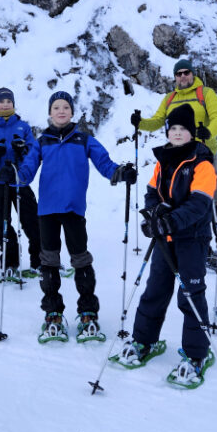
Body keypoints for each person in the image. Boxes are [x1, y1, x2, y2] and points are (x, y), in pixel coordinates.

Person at [18, 91, 137, 342]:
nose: (61, 111)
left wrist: (120, 172)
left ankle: (87, 311)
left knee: (80, 259)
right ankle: (53, 312)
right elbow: (27, 170)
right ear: (50, 113)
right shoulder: (42, 142)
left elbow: (105, 164)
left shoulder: (84, 140)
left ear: (72, 112)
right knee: (49, 261)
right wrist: (14, 173)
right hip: (47, 211)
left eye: (65, 107)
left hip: (73, 209)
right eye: (56, 107)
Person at [117, 105, 216, 387]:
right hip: (165, 239)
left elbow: (199, 204)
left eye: (182, 129)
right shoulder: (163, 161)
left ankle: (197, 354)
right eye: (173, 129)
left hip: (191, 239)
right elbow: (152, 193)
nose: (177, 133)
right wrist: (152, 216)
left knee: (191, 295)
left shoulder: (202, 164)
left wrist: (169, 221)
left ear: (191, 133)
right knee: (155, 290)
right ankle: (144, 341)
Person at [131, 58, 217, 264]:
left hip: (203, 155)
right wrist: (140, 123)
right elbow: (159, 121)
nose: (183, 76)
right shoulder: (169, 98)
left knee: (212, 200)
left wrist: (208, 132)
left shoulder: (206, 94)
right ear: (175, 77)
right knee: (183, 202)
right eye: (179, 73)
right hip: (177, 158)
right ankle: (192, 243)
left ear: (192, 74)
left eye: (187, 72)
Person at [0, 87, 41, 279]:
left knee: (32, 222)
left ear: (13, 104)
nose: (5, 104)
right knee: (2, 224)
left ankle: (39, 261)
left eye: (9, 101)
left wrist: (22, 150)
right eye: (2, 101)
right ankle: (10, 262)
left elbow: (33, 151)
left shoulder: (23, 126)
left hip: (19, 181)